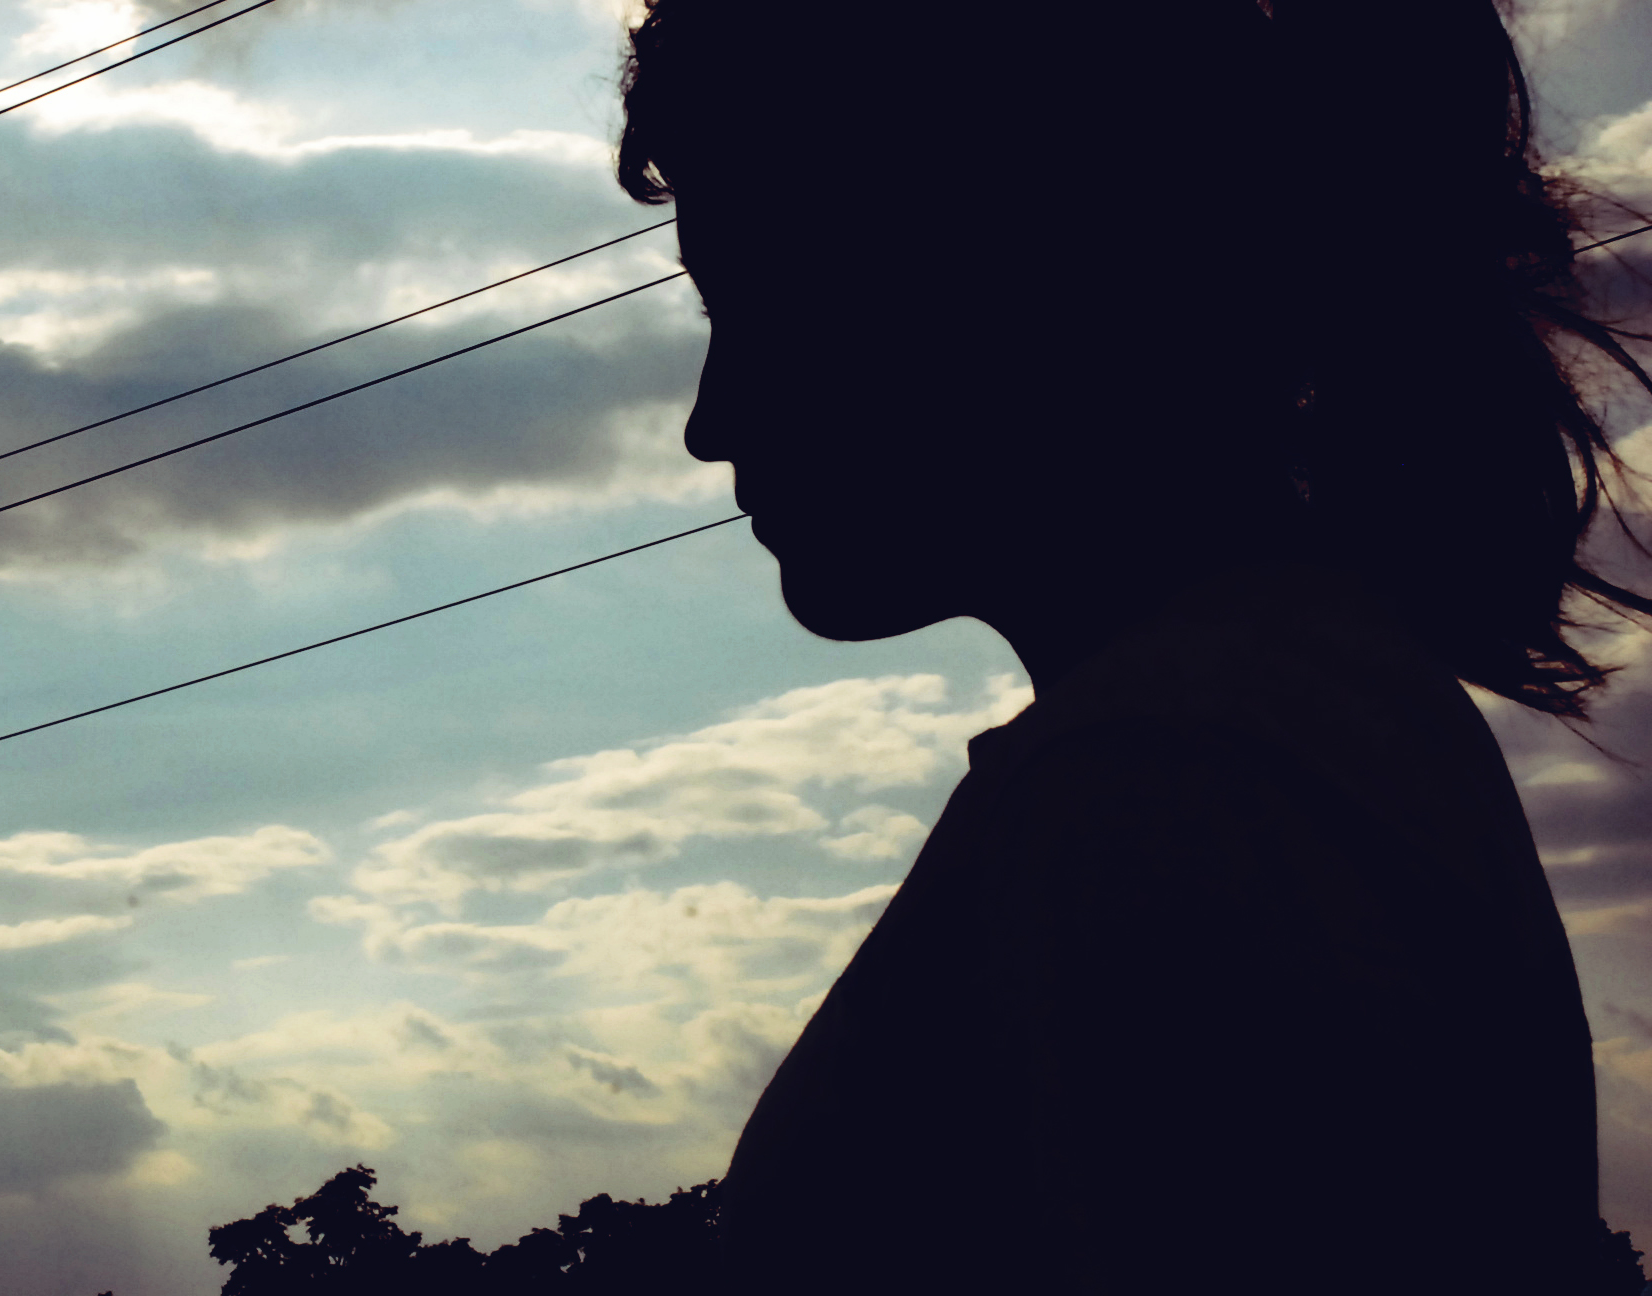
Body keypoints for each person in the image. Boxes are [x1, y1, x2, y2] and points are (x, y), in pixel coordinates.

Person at [616, 1, 1652, 1291]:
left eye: (762, 307)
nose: (710, 424)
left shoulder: (1162, 784)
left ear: (1009, 281)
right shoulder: (1296, 704)